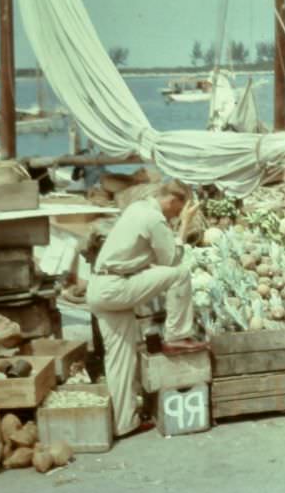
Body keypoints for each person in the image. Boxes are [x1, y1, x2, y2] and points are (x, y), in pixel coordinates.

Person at [86, 179, 205, 437]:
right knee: (180, 273)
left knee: (121, 356)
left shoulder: (136, 209)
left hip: (99, 287)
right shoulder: (153, 218)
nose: (174, 216)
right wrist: (183, 225)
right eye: (176, 211)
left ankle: (124, 423)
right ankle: (176, 335)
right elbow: (172, 259)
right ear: (172, 201)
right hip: (116, 287)